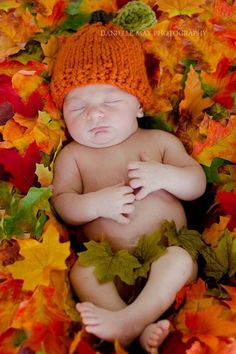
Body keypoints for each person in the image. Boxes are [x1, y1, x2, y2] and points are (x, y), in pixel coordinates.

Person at [50, 11, 206, 353]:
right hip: (110, 265)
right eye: (77, 107)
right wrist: (95, 204)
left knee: (180, 259)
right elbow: (62, 201)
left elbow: (197, 184)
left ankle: (129, 323)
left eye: (111, 100)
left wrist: (167, 176)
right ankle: (131, 322)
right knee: (82, 272)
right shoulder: (74, 156)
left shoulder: (157, 143)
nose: (95, 113)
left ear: (138, 105)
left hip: (166, 256)